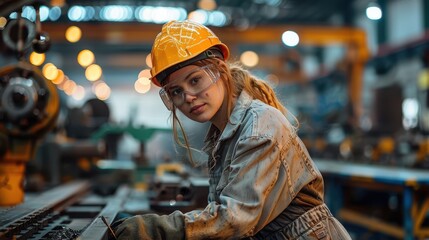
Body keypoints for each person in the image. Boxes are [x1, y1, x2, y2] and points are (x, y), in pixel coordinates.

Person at [112, 20, 352, 240]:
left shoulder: (259, 126)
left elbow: (235, 219)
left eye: (195, 80)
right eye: (176, 91)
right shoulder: (223, 133)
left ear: (220, 69)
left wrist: (153, 229)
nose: (188, 97)